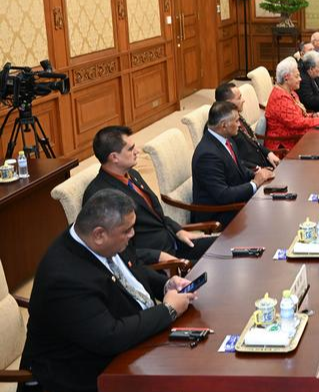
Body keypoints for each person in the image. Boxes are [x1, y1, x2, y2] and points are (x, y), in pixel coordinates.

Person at [20, 189, 197, 392]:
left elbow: (133, 270)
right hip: (83, 373)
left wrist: (165, 285)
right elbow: (109, 336)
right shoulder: (65, 279)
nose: (132, 234)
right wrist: (168, 311)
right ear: (99, 234)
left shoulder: (101, 240)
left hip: (134, 345)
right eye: (127, 230)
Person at [84, 126, 215, 263]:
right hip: (159, 262)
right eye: (130, 149)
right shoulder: (101, 196)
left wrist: (178, 230)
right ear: (114, 157)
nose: (137, 151)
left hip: (175, 241)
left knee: (226, 246)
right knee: (216, 268)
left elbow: (156, 215)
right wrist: (157, 256)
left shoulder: (132, 174)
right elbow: (117, 250)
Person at [192, 101, 274, 226]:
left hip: (234, 202)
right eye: (236, 121)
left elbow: (240, 169)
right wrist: (255, 183)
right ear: (224, 125)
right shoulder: (207, 155)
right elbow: (223, 195)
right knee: (268, 214)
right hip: (219, 214)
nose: (240, 125)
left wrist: (258, 173)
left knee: (273, 200)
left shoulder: (226, 138)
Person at [264, 56, 319, 152]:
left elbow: (300, 117)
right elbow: (296, 123)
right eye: (297, 76)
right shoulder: (280, 98)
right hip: (284, 148)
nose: (300, 79)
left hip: (298, 138)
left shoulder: (291, 92)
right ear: (286, 78)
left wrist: (313, 115)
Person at [214, 82, 281, 170]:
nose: (243, 100)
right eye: (239, 98)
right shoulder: (223, 127)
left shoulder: (236, 116)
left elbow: (252, 140)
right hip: (251, 174)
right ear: (228, 103)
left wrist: (268, 153)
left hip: (264, 163)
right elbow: (234, 160)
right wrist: (258, 170)